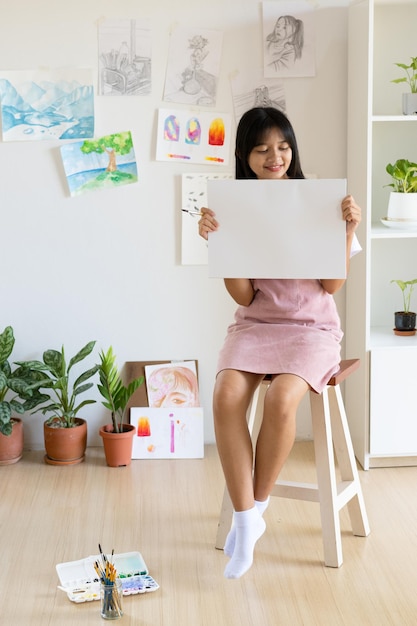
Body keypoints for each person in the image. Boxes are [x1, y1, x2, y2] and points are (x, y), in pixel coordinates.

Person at [198, 106, 361, 579]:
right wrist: (220, 245)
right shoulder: (235, 209)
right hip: (257, 325)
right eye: (262, 148)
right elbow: (245, 295)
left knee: (282, 398)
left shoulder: (320, 201)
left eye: (284, 146)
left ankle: (252, 516)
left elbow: (330, 287)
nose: (276, 156)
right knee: (227, 393)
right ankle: (247, 521)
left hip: (312, 330)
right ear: (244, 156)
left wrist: (345, 229)